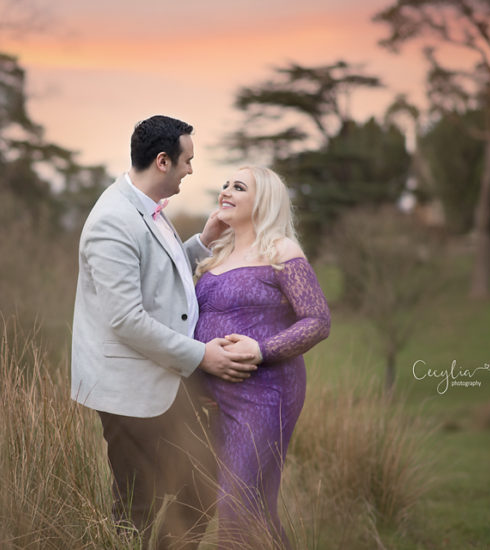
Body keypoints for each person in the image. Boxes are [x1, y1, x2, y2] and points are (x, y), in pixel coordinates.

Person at [71, 115, 258, 549]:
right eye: (187, 160)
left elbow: (159, 278)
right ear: (162, 161)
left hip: (162, 379)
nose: (191, 169)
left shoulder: (146, 207)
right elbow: (126, 319)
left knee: (205, 483)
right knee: (137, 504)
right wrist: (203, 356)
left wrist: (203, 241)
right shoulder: (112, 221)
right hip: (128, 389)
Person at [193, 165, 331, 548]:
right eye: (225, 185)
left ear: (264, 201)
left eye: (238, 187)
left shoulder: (281, 251)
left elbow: (318, 320)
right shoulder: (216, 254)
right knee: (255, 508)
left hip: (265, 393)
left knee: (236, 506)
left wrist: (261, 349)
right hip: (214, 396)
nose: (225, 191)